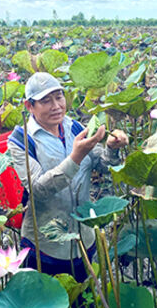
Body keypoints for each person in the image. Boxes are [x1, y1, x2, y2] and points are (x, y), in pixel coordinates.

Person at [7, 72, 129, 283]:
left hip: (84, 239)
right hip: (45, 245)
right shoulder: (20, 141)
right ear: (29, 106)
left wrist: (111, 149)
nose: (56, 106)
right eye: (46, 100)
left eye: (59, 97)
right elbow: (37, 189)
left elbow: (102, 164)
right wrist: (75, 158)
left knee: (85, 301)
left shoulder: (75, 127)